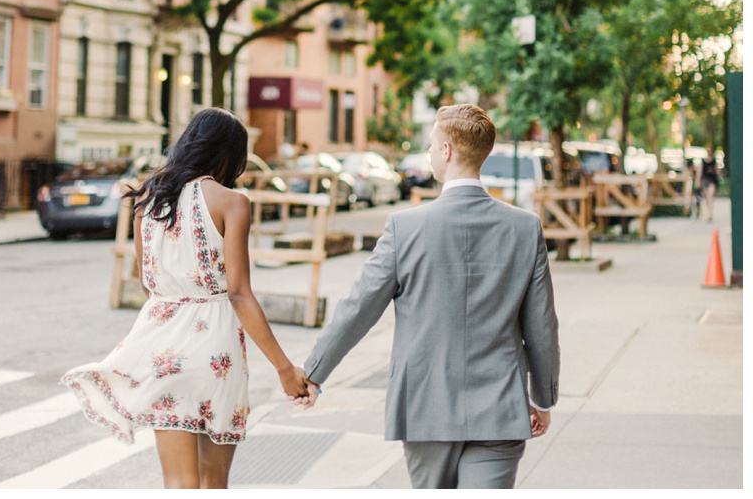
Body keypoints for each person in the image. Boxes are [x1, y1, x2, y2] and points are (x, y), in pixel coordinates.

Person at [299, 103, 560, 489]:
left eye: (432, 145)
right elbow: (541, 325)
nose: (430, 153)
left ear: (448, 152)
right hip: (500, 407)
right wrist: (543, 396)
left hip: (426, 407)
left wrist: (313, 373)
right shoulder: (524, 228)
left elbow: (359, 307)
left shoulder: (404, 228)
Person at [61, 109, 309, 488]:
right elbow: (240, 294)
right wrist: (284, 368)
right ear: (229, 156)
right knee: (213, 481)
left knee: (178, 482)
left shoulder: (146, 200)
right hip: (215, 350)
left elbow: (149, 283)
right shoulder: (232, 202)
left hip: (162, 347)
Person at [699, 148, 720, 222]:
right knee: (707, 198)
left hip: (712, 181)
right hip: (705, 181)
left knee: (710, 196)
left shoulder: (714, 161)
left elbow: (717, 170)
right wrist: (699, 182)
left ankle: (710, 213)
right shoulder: (703, 161)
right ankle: (709, 212)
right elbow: (700, 172)